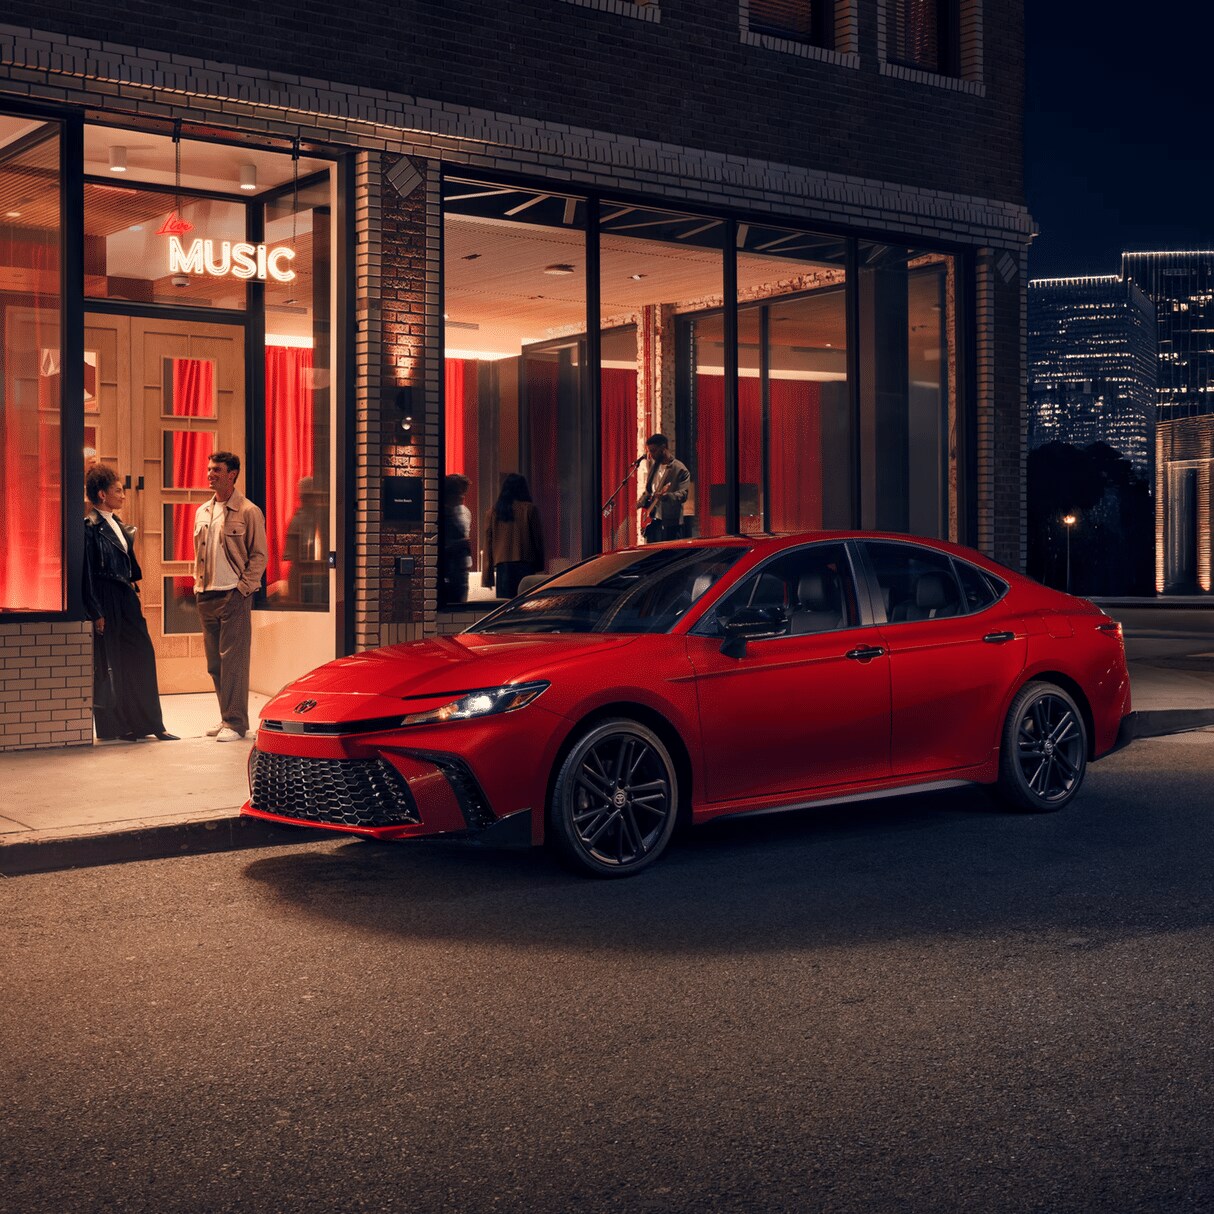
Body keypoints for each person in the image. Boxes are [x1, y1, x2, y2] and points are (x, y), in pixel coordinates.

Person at [82, 465, 178, 742]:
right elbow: (86, 573)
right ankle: (118, 728)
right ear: (102, 494)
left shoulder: (120, 525)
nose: (123, 495)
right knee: (111, 661)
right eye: (117, 490)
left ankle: (150, 724)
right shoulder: (88, 527)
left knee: (141, 655)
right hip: (103, 596)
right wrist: (95, 611)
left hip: (124, 595)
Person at [193, 452, 267, 742]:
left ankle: (236, 723)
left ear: (232, 474)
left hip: (233, 595)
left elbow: (260, 556)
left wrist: (243, 589)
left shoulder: (249, 511)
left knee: (233, 661)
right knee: (215, 663)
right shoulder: (203, 512)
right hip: (206, 594)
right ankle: (227, 716)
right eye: (209, 468)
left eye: (217, 470)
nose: (210, 474)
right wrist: (197, 585)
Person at [482, 472, 544, 599]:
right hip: (526, 563)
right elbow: (538, 540)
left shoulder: (494, 512)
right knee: (526, 604)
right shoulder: (529, 509)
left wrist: (487, 577)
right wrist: (540, 565)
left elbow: (488, 544)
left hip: (503, 566)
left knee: (505, 607)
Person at [637, 433, 690, 543]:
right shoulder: (654, 466)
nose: (651, 455)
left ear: (663, 448)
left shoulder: (680, 469)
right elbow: (649, 490)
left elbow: (683, 495)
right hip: (653, 521)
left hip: (670, 522)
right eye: (650, 451)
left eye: (653, 451)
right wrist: (639, 503)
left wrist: (666, 496)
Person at [442, 473, 472, 605]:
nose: (462, 496)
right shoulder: (444, 515)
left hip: (460, 570)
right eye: (458, 492)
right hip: (451, 572)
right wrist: (461, 543)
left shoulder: (461, 512)